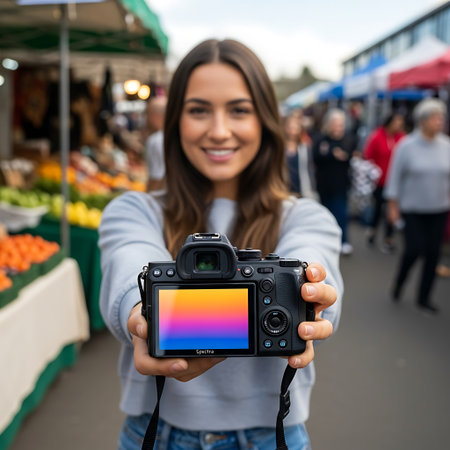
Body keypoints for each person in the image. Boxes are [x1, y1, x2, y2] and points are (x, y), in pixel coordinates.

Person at [99, 39, 343, 450]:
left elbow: (315, 266)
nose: (218, 130)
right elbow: (130, 266)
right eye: (198, 110)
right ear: (174, 121)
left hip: (272, 433)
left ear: (266, 120)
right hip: (157, 432)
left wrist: (312, 295)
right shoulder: (133, 210)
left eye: (239, 110)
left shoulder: (307, 216)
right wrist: (143, 317)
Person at [385, 98, 450, 314]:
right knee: (413, 249)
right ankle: (399, 283)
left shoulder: (445, 145)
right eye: (434, 117)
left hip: (439, 209)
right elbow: (394, 177)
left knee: (433, 254)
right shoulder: (407, 146)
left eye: (440, 117)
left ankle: (424, 297)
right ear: (422, 121)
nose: (439, 121)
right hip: (413, 209)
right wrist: (392, 206)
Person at [312, 108, 354, 255]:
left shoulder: (348, 139)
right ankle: (325, 242)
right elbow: (316, 157)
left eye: (340, 124)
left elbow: (352, 157)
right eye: (335, 124)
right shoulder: (321, 139)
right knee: (325, 214)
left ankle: (343, 241)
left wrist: (344, 156)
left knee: (341, 214)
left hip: (341, 185)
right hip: (324, 184)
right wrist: (331, 154)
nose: (338, 127)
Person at [364, 113, 405, 253]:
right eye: (397, 122)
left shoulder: (402, 138)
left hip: (396, 182)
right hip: (379, 181)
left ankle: (389, 238)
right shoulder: (377, 136)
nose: (399, 125)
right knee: (377, 208)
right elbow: (368, 156)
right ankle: (373, 230)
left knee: (391, 210)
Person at [283, 113, 317, 199]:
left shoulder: (304, 147)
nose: (292, 129)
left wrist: (311, 189)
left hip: (302, 189)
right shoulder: (280, 147)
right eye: (290, 126)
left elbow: (309, 169)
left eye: (295, 126)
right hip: (284, 189)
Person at [145, 96, 167, 191]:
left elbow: (156, 177)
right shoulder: (178, 136)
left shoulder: (156, 140)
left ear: (155, 116)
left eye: (147, 114)